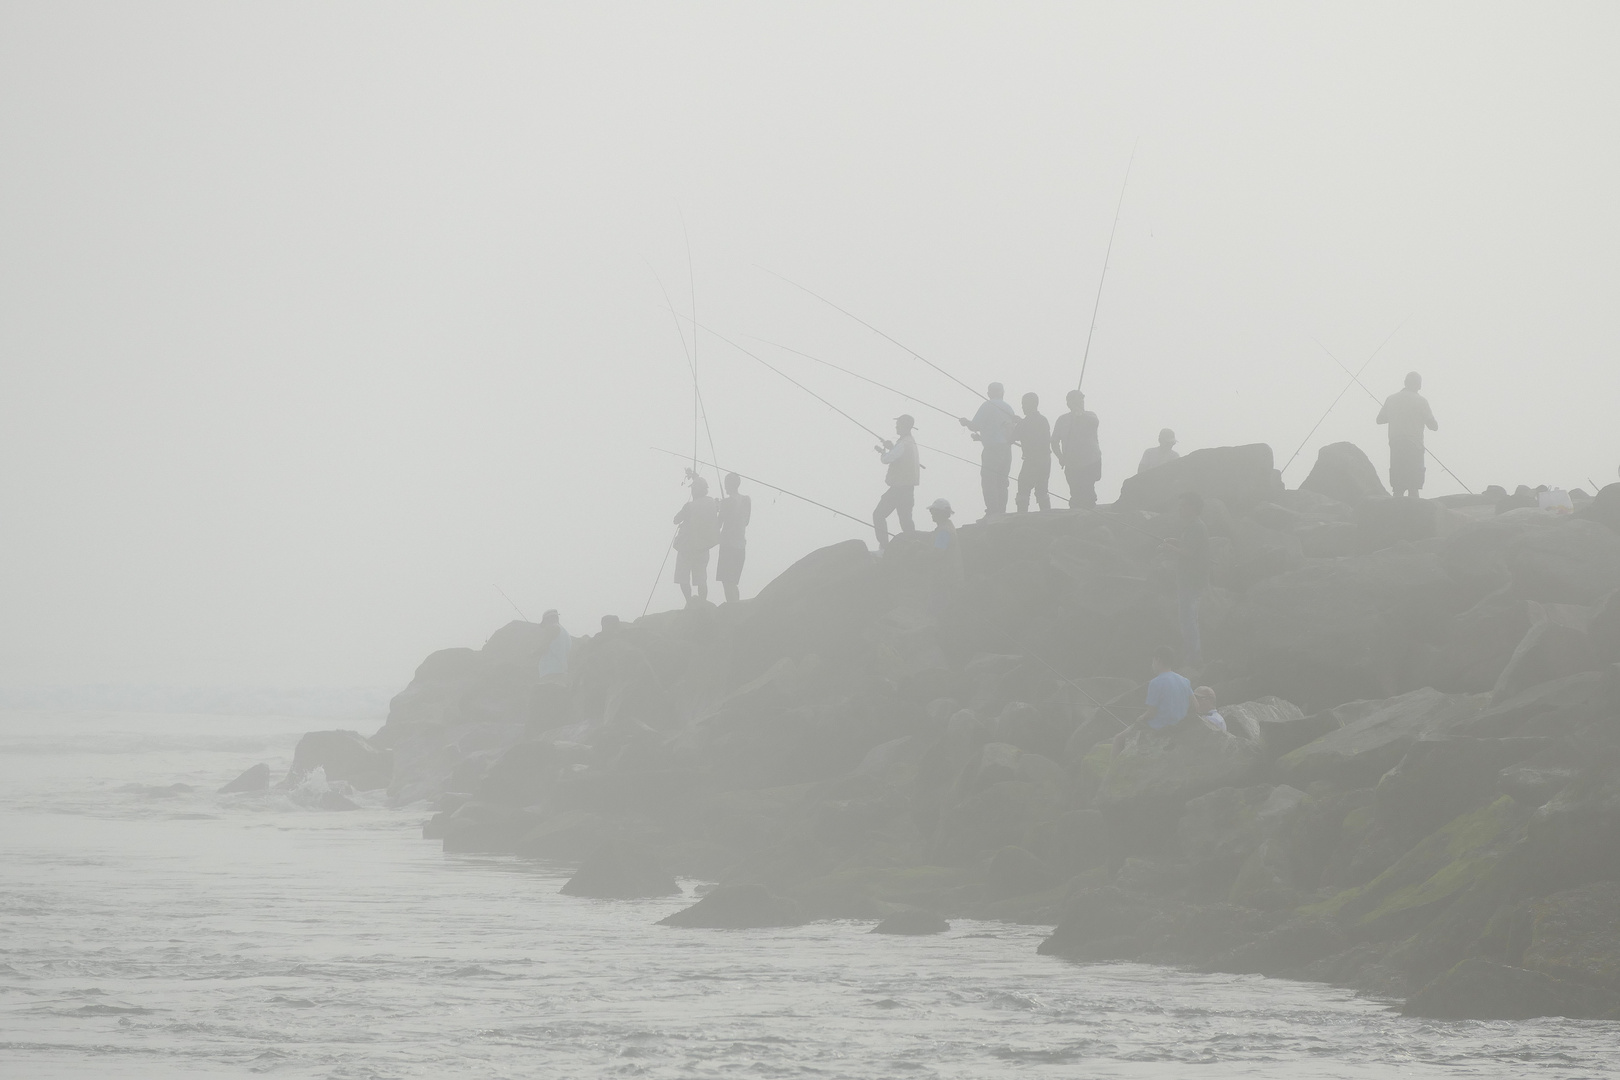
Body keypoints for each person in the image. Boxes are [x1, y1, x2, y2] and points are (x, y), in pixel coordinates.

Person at [1112, 645, 1194, 754]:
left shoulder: (1156, 682)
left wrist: (1140, 718)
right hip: (1179, 727)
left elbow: (1151, 713)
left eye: (1153, 661)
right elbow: (1195, 707)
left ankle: (1112, 770)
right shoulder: (1184, 681)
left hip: (1160, 729)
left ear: (1157, 659)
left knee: (1118, 739)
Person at [1161, 491, 1210, 669]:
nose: (1180, 508)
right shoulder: (1193, 526)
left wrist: (1170, 548)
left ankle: (1194, 659)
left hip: (1192, 582)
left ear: (1193, 507)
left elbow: (1189, 553)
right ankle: (1192, 656)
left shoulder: (1196, 526)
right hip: (1188, 581)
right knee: (1188, 619)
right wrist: (1176, 542)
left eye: (1183, 505)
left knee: (1189, 620)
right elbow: (1189, 546)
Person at [959, 382, 1019, 519]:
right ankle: (1001, 512)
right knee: (1002, 481)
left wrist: (965, 422)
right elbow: (1005, 430)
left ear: (989, 393)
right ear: (1002, 392)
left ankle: (993, 512)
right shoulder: (1008, 408)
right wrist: (981, 438)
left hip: (992, 449)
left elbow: (975, 425)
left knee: (989, 480)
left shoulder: (987, 405)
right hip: (1006, 449)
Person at [1376, 371, 1438, 497]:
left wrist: (1395, 415)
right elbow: (1433, 426)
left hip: (1396, 444)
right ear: (1419, 385)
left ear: (1405, 383)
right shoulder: (1421, 401)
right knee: (1413, 485)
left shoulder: (1391, 399)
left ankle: (1395, 512)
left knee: (1398, 487)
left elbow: (1380, 420)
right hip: (1415, 446)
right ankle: (1414, 513)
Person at [873, 414, 920, 551]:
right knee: (905, 520)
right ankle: (913, 546)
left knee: (878, 514)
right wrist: (891, 447)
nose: (896, 427)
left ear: (904, 426)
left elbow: (887, 459)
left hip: (898, 489)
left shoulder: (904, 443)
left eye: (898, 424)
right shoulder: (910, 442)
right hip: (908, 489)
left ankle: (884, 548)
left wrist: (883, 452)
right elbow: (898, 454)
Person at [672, 474, 720, 604]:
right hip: (703, 547)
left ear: (695, 490)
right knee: (701, 579)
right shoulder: (712, 503)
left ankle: (689, 602)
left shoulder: (689, 506)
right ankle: (703, 604)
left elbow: (676, 520)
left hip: (686, 547)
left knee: (683, 578)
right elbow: (716, 508)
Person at [1050, 389, 1101, 508]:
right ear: (1069, 404)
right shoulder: (1062, 420)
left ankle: (1090, 514)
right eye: (1078, 400)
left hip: (1091, 461)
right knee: (1075, 492)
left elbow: (1094, 423)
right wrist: (1060, 457)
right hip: (1071, 463)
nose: (1082, 402)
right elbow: (1054, 441)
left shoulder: (1090, 415)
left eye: (1082, 400)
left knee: (1088, 490)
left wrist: (1080, 414)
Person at [1012, 392, 1052, 513]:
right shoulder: (1043, 420)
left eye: (1024, 404)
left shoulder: (1024, 423)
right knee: (1042, 489)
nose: (1022, 407)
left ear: (1032, 404)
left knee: (1023, 488)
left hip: (1031, 460)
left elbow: (1012, 437)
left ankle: (1022, 516)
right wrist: (1020, 422)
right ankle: (1047, 515)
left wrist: (1013, 424)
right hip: (1045, 460)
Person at [716, 472, 751, 603]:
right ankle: (736, 607)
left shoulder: (725, 502)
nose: (725, 487)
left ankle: (732, 609)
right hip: (741, 546)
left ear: (728, 485)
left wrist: (717, 508)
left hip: (727, 546)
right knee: (733, 582)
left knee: (727, 582)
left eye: (726, 484)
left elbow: (718, 524)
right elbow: (746, 521)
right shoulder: (747, 500)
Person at [926, 497, 963, 615]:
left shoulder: (944, 532)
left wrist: (920, 554)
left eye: (933, 512)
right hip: (948, 578)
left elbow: (937, 554)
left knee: (939, 610)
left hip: (944, 580)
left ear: (940, 513)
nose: (931, 514)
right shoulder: (946, 528)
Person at [536, 609, 571, 677]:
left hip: (550, 672)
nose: (545, 626)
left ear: (549, 619)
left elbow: (543, 647)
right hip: (561, 670)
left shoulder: (553, 628)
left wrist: (531, 654)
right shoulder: (565, 632)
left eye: (545, 622)